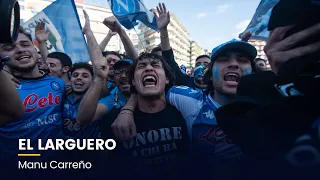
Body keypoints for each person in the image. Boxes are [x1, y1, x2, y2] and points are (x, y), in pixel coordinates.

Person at [110, 12, 258, 179]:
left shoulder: (270, 103)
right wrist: (127, 110)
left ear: (253, 70)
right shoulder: (189, 101)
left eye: (242, 60)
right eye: (224, 60)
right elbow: (148, 85)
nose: (233, 64)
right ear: (210, 72)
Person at [99, 53, 190, 180]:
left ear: (167, 79)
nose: (148, 68)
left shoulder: (185, 112)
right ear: (133, 82)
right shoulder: (113, 120)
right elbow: (107, 167)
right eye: (141, 66)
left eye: (155, 65)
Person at [0, 27, 66, 168]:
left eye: (25, 44)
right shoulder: (3, 92)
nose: (19, 50)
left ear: (34, 48)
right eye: (9, 48)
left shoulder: (58, 84)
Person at [63, 62, 100, 139]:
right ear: (70, 80)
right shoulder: (60, 98)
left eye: (85, 76)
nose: (79, 78)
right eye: (75, 75)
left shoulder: (99, 101)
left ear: (92, 81)